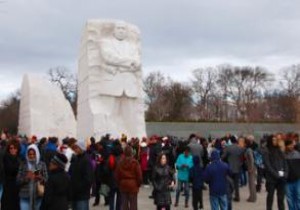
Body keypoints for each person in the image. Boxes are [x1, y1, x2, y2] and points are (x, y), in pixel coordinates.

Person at [87, 21, 146, 138]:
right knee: (109, 114)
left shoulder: (133, 46)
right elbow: (108, 57)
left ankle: (133, 138)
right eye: (118, 28)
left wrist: (120, 64)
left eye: (123, 29)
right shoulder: (105, 42)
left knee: (131, 117)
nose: (121, 30)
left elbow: (138, 63)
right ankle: (108, 137)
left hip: (129, 85)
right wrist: (128, 63)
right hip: (112, 83)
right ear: (114, 30)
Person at [17, 144, 48, 210]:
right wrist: (26, 178)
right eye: (30, 154)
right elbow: (18, 181)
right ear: (27, 154)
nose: (32, 156)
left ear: (37, 154)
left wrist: (40, 177)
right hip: (25, 195)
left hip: (38, 196)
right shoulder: (23, 164)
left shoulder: (42, 164)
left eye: (34, 154)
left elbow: (46, 180)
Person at [263, 135, 288, 210]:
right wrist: (275, 174)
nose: (275, 141)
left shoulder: (279, 150)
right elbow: (267, 165)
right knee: (270, 196)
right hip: (271, 178)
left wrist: (285, 173)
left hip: (281, 177)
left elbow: (285, 162)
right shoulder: (266, 151)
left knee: (281, 198)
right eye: (273, 140)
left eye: (276, 140)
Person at [115, 146, 142, 210]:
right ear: (131, 153)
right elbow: (139, 176)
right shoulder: (135, 163)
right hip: (133, 185)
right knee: (133, 205)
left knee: (124, 205)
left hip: (123, 185)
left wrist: (119, 184)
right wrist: (138, 184)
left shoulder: (120, 163)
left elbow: (117, 175)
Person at [69, 142, 94, 210]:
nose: (75, 149)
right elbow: (72, 173)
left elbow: (88, 178)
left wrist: (79, 188)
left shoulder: (86, 160)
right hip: (75, 193)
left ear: (81, 148)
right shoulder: (75, 159)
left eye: (77, 148)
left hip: (82, 194)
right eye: (74, 148)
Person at [221, 137, 244, 202]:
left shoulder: (228, 148)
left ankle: (229, 195)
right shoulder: (240, 148)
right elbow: (243, 158)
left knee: (229, 183)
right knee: (236, 183)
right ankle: (237, 196)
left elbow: (223, 157)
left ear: (230, 141)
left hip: (230, 168)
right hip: (238, 168)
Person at [1, 139, 21, 210]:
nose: (13, 150)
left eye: (15, 148)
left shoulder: (19, 159)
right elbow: (10, 169)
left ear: (17, 149)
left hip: (16, 188)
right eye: (11, 148)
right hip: (8, 186)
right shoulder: (6, 157)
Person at [285, 139, 300, 210]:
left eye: (292, 144)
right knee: (289, 198)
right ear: (286, 145)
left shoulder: (297, 154)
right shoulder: (284, 155)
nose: (291, 146)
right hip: (287, 180)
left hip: (297, 179)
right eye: (289, 145)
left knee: (298, 196)